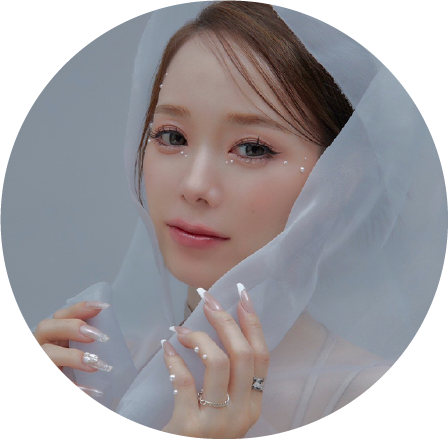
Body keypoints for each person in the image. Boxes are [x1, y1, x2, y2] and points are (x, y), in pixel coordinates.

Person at [32, 1, 447, 437]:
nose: (194, 185)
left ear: (341, 178)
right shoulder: (95, 368)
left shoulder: (379, 403)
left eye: (252, 148)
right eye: (172, 136)